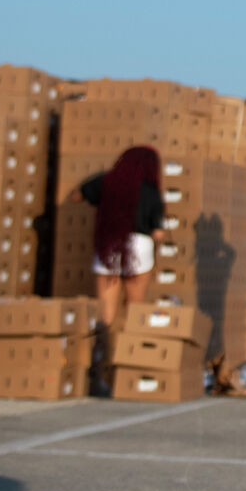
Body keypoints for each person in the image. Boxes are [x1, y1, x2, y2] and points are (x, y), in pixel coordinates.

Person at [67, 145, 165, 383]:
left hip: (109, 245)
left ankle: (98, 370)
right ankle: (132, 369)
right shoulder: (151, 192)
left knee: (105, 315)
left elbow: (76, 196)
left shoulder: (107, 182)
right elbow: (158, 234)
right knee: (136, 310)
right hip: (139, 248)